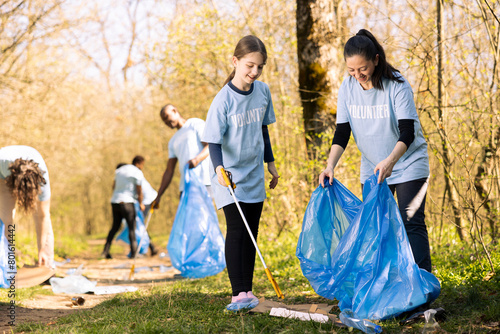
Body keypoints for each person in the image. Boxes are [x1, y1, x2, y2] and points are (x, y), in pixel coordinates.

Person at [318, 29, 432, 272]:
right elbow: (342, 132)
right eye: (351, 70)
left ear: (376, 60)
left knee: (410, 222)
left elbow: (408, 133)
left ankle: (422, 290)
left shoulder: (397, 85)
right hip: (373, 166)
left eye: (363, 69)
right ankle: (386, 290)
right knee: (376, 227)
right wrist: (330, 166)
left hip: (408, 163)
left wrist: (391, 161)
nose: (357, 75)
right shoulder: (347, 88)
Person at [202, 35, 280, 303]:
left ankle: (249, 291)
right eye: (249, 65)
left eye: (260, 67)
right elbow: (213, 141)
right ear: (235, 61)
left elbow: (263, 129)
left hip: (254, 173)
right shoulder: (223, 100)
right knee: (237, 229)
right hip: (229, 176)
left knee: (252, 231)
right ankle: (238, 294)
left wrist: (271, 164)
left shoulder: (263, 92)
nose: (254, 72)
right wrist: (220, 170)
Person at [0, 145, 54, 267]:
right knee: (5, 218)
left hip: (30, 176)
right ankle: (7, 263)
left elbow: (43, 216)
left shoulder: (42, 180)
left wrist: (41, 249)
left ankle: (47, 263)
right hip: (2, 176)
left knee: (43, 216)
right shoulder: (2, 162)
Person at [154, 104, 212, 206]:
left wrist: (196, 160)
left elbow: (210, 146)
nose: (166, 122)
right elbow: (169, 171)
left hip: (203, 182)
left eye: (167, 117)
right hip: (185, 188)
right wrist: (158, 196)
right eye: (164, 121)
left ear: (175, 111)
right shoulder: (172, 142)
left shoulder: (194, 124)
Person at [102, 162, 145, 259]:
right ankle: (134, 253)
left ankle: (105, 251)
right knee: (131, 228)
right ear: (139, 164)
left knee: (115, 227)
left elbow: (113, 186)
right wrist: (141, 203)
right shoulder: (136, 171)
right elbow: (139, 190)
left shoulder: (118, 171)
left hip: (115, 201)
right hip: (128, 202)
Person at [131, 155, 158, 256]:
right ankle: (150, 247)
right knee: (141, 225)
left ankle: (149, 247)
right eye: (142, 164)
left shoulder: (135, 172)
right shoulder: (135, 172)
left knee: (141, 225)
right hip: (147, 200)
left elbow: (140, 190)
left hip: (147, 200)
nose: (142, 167)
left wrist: (141, 203)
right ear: (138, 163)